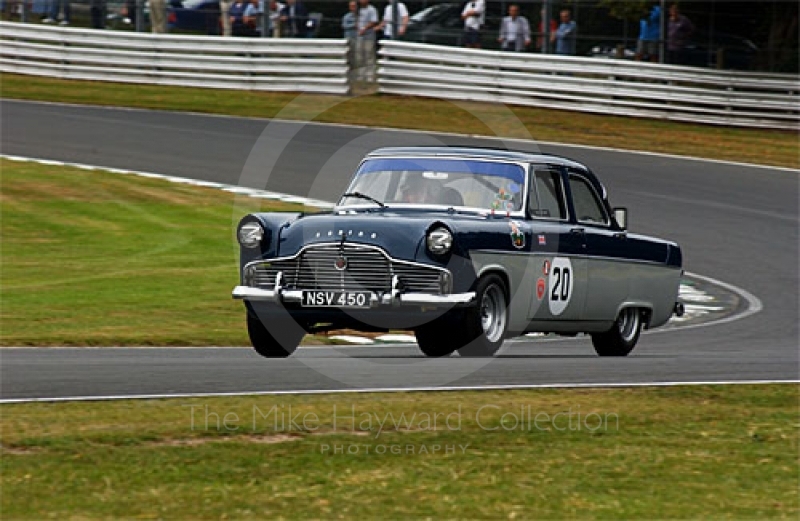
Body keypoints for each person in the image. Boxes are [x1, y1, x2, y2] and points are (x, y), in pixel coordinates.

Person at [355, 0, 379, 81]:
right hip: (359, 36)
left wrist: (365, 28)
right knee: (359, 55)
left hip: (369, 36)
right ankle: (360, 74)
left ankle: (370, 74)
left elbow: (374, 21)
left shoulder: (372, 9)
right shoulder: (358, 9)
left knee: (369, 54)